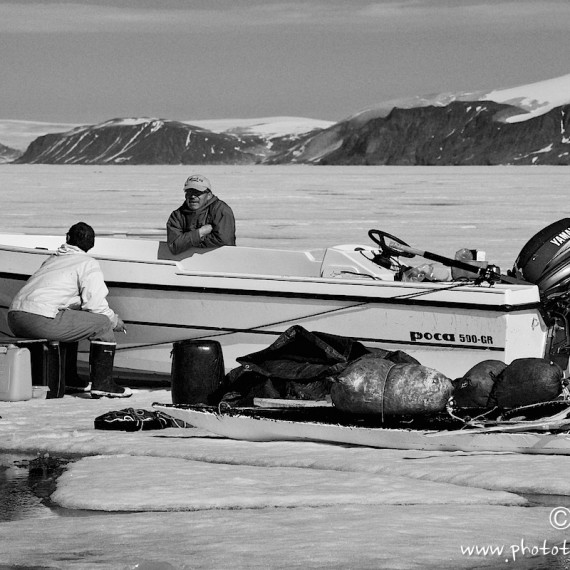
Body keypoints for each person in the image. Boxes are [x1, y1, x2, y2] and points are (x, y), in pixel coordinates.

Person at [7, 222, 132, 399]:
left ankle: (70, 379)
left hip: (14, 318)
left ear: (67, 238)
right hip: (40, 319)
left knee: (76, 318)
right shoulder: (87, 263)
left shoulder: (53, 259)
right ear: (92, 244)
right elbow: (96, 305)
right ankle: (103, 385)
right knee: (102, 324)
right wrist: (114, 321)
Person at [166, 174, 236, 254]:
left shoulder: (221, 210)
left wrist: (187, 242)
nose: (192, 196)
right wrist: (200, 232)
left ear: (209, 195)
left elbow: (223, 240)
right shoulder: (177, 216)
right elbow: (174, 246)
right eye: (189, 192)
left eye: (197, 193)